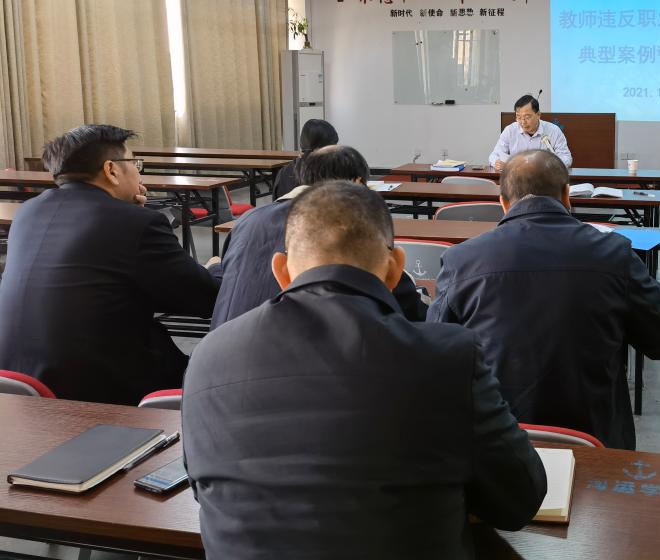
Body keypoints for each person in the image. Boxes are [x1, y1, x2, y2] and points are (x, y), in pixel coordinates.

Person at [183, 181, 546, 560]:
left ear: (282, 271)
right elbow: (520, 500)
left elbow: (205, 491)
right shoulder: (448, 357)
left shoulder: (208, 356)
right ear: (395, 270)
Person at [429, 150, 660, 449]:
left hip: (497, 443)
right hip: (595, 442)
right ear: (567, 195)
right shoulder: (614, 254)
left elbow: (436, 356)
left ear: (503, 202)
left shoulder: (461, 260)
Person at [0, 125, 220, 404]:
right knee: (219, 374)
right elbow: (205, 298)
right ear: (111, 170)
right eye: (135, 164)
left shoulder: (28, 212)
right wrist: (214, 268)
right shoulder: (136, 223)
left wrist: (132, 214)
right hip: (99, 391)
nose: (139, 174)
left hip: (17, 384)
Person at [212, 144, 426, 328]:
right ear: (358, 182)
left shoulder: (248, 220)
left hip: (224, 345)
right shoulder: (351, 226)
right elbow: (409, 309)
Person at [489, 94, 572, 171]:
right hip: (516, 177)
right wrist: (497, 163)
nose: (523, 122)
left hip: (544, 177)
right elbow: (494, 155)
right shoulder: (510, 130)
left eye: (527, 117)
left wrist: (550, 166)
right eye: (519, 117)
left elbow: (566, 157)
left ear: (538, 114)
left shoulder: (553, 130)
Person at [272, 118, 339, 199]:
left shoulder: (284, 171)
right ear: (320, 148)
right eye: (333, 145)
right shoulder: (330, 172)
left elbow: (276, 201)